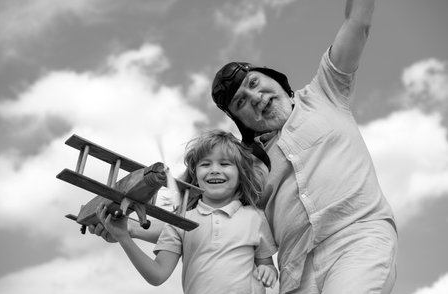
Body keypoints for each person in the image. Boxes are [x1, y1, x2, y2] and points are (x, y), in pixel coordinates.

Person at [210, 0, 398, 293]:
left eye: (255, 83)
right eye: (241, 102)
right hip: (295, 274)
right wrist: (129, 228)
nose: (255, 97)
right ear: (239, 119)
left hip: (356, 239)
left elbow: (357, 23)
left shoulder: (326, 92)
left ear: (273, 77)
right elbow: (203, 217)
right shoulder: (247, 167)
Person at [95, 130, 278, 294]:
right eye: (205, 164)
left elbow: (267, 264)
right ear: (195, 176)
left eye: (224, 164)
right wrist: (124, 237)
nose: (214, 170)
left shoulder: (255, 217)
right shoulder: (180, 222)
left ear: (241, 175)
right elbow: (157, 275)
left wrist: (269, 271)